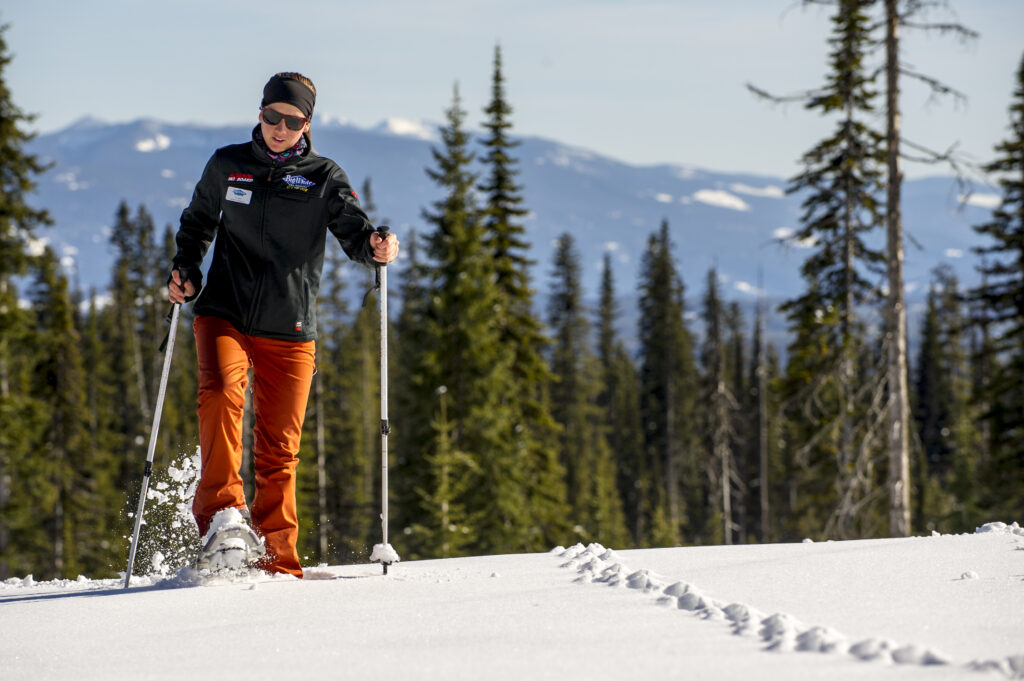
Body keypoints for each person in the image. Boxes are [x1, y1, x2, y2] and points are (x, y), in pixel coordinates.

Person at [167, 72, 399, 577]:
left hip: (289, 325)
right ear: (260, 113)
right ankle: (223, 518)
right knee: (222, 390)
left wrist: (377, 246)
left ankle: (277, 565)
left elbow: (354, 231)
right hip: (223, 309)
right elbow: (198, 221)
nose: (279, 127)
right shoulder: (229, 165)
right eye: (272, 115)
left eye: (291, 120)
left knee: (279, 451)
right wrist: (185, 268)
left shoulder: (323, 177)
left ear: (306, 125)